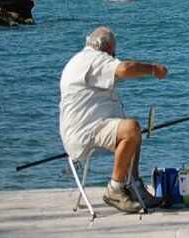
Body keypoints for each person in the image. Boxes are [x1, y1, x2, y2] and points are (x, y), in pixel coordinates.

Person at [59, 26, 168, 213]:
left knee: (132, 130)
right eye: (114, 52)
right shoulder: (94, 59)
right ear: (107, 48)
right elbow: (124, 69)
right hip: (84, 133)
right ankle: (115, 189)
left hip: (81, 130)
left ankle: (134, 185)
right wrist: (153, 69)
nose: (114, 56)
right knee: (131, 128)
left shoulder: (78, 60)